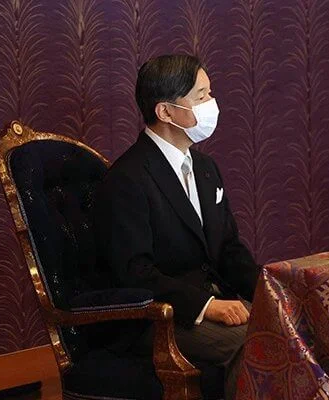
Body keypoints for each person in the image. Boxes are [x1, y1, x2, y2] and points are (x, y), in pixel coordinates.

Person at [93, 54, 261, 400]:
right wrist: (206, 305)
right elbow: (134, 272)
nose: (211, 105)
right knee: (254, 344)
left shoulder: (206, 167)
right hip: (158, 318)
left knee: (287, 329)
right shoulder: (128, 179)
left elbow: (228, 248)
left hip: (213, 299)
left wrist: (270, 293)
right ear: (165, 111)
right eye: (201, 97)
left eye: (209, 94)